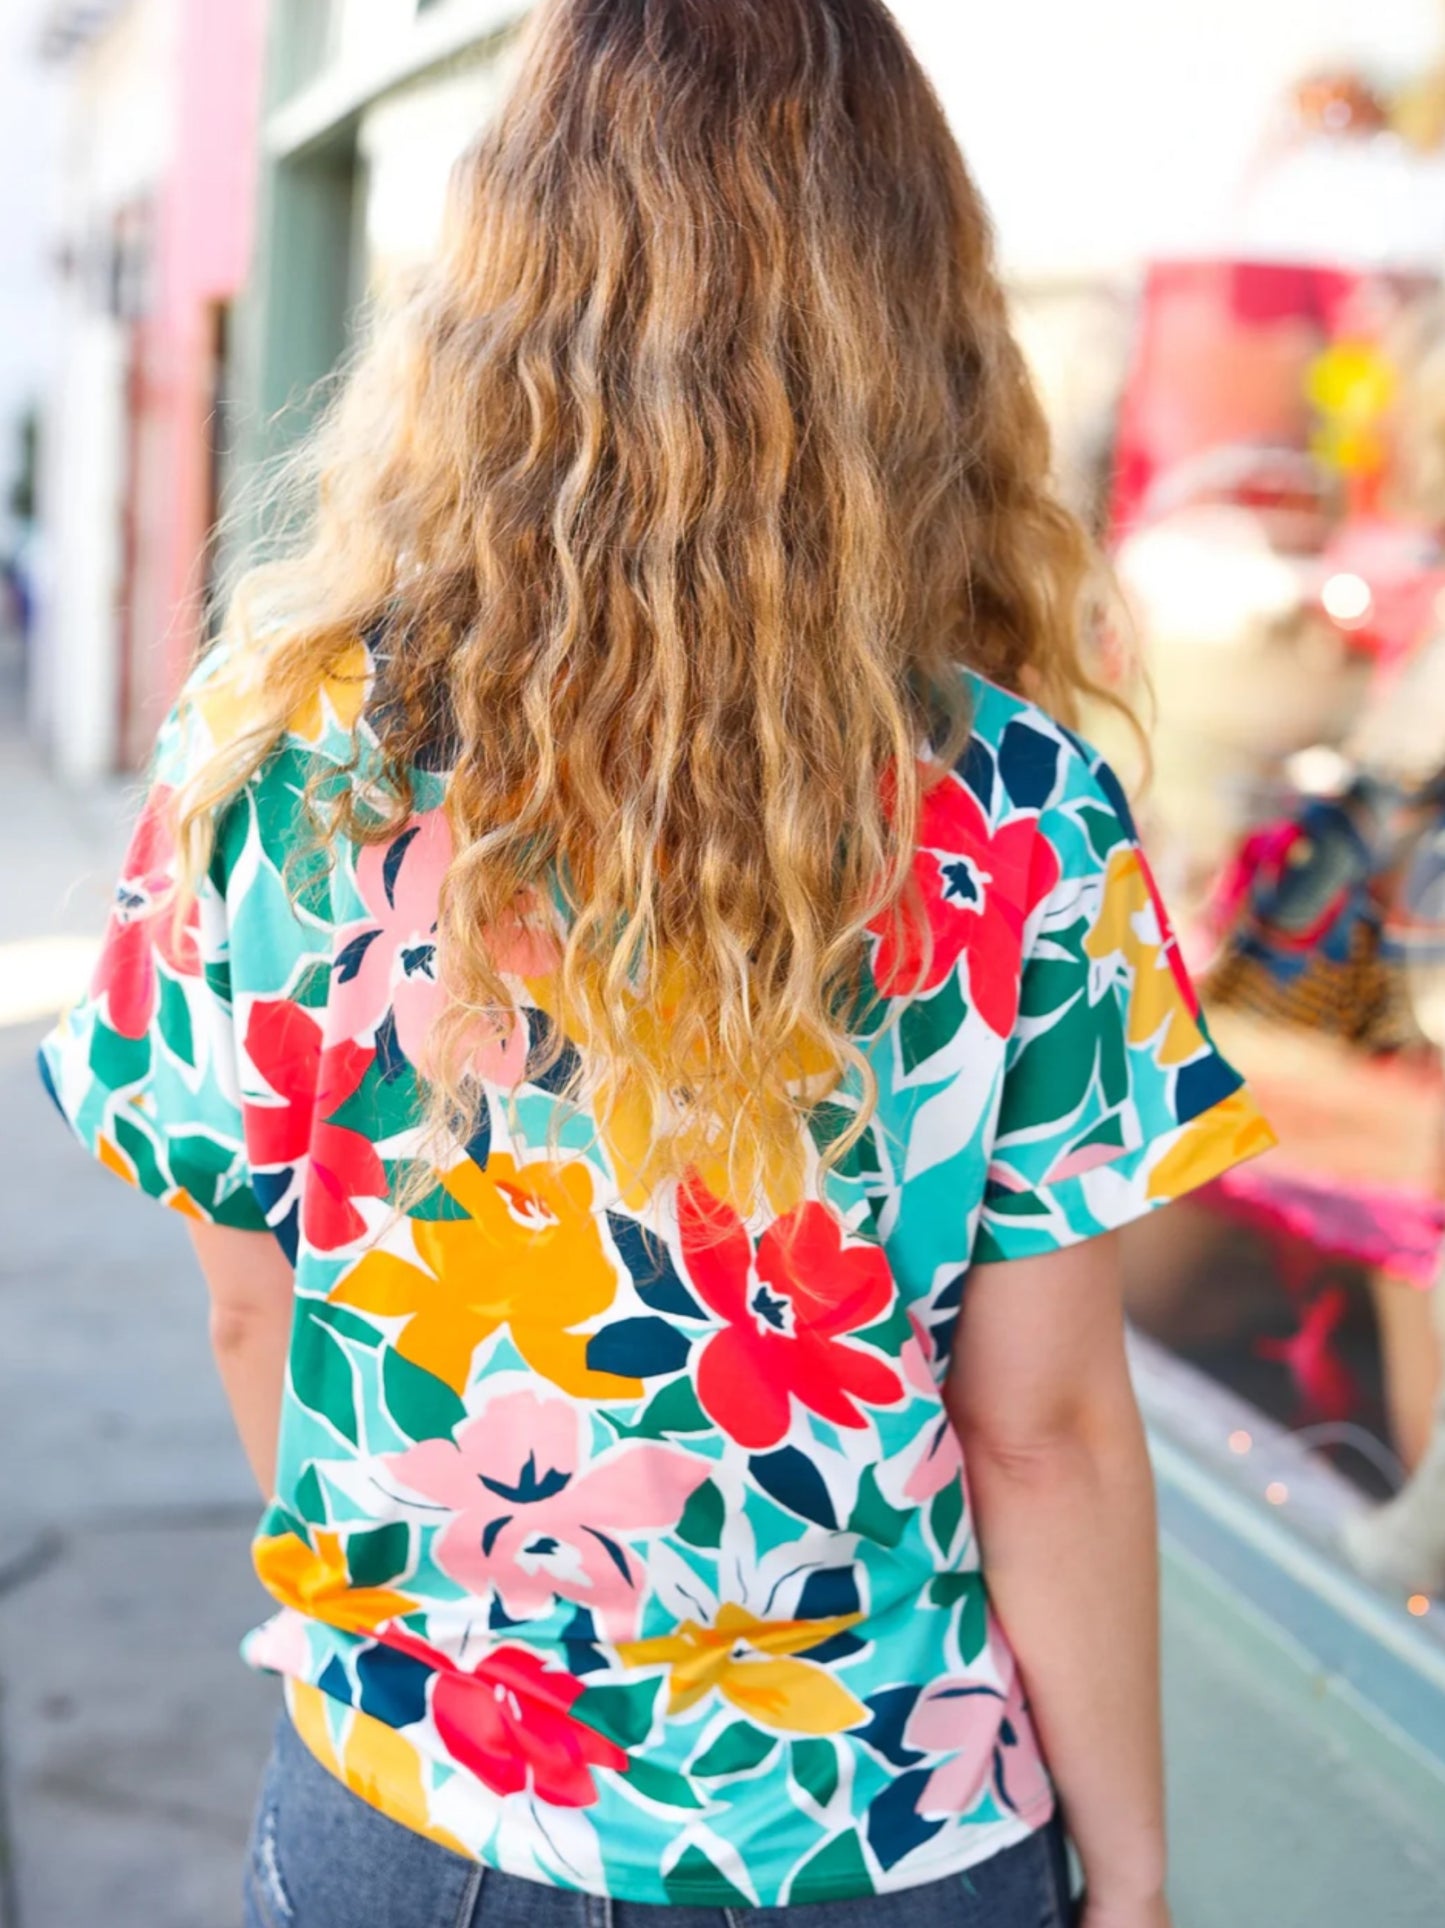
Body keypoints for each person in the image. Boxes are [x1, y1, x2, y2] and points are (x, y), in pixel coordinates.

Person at [39, 3, 1274, 1924]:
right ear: (898, 310)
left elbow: (248, 1310)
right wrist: (1130, 1873)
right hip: (874, 1835)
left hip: (412, 1803)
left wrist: (449, 1625)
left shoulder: (269, 755)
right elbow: (1035, 1437)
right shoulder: (1013, 816)